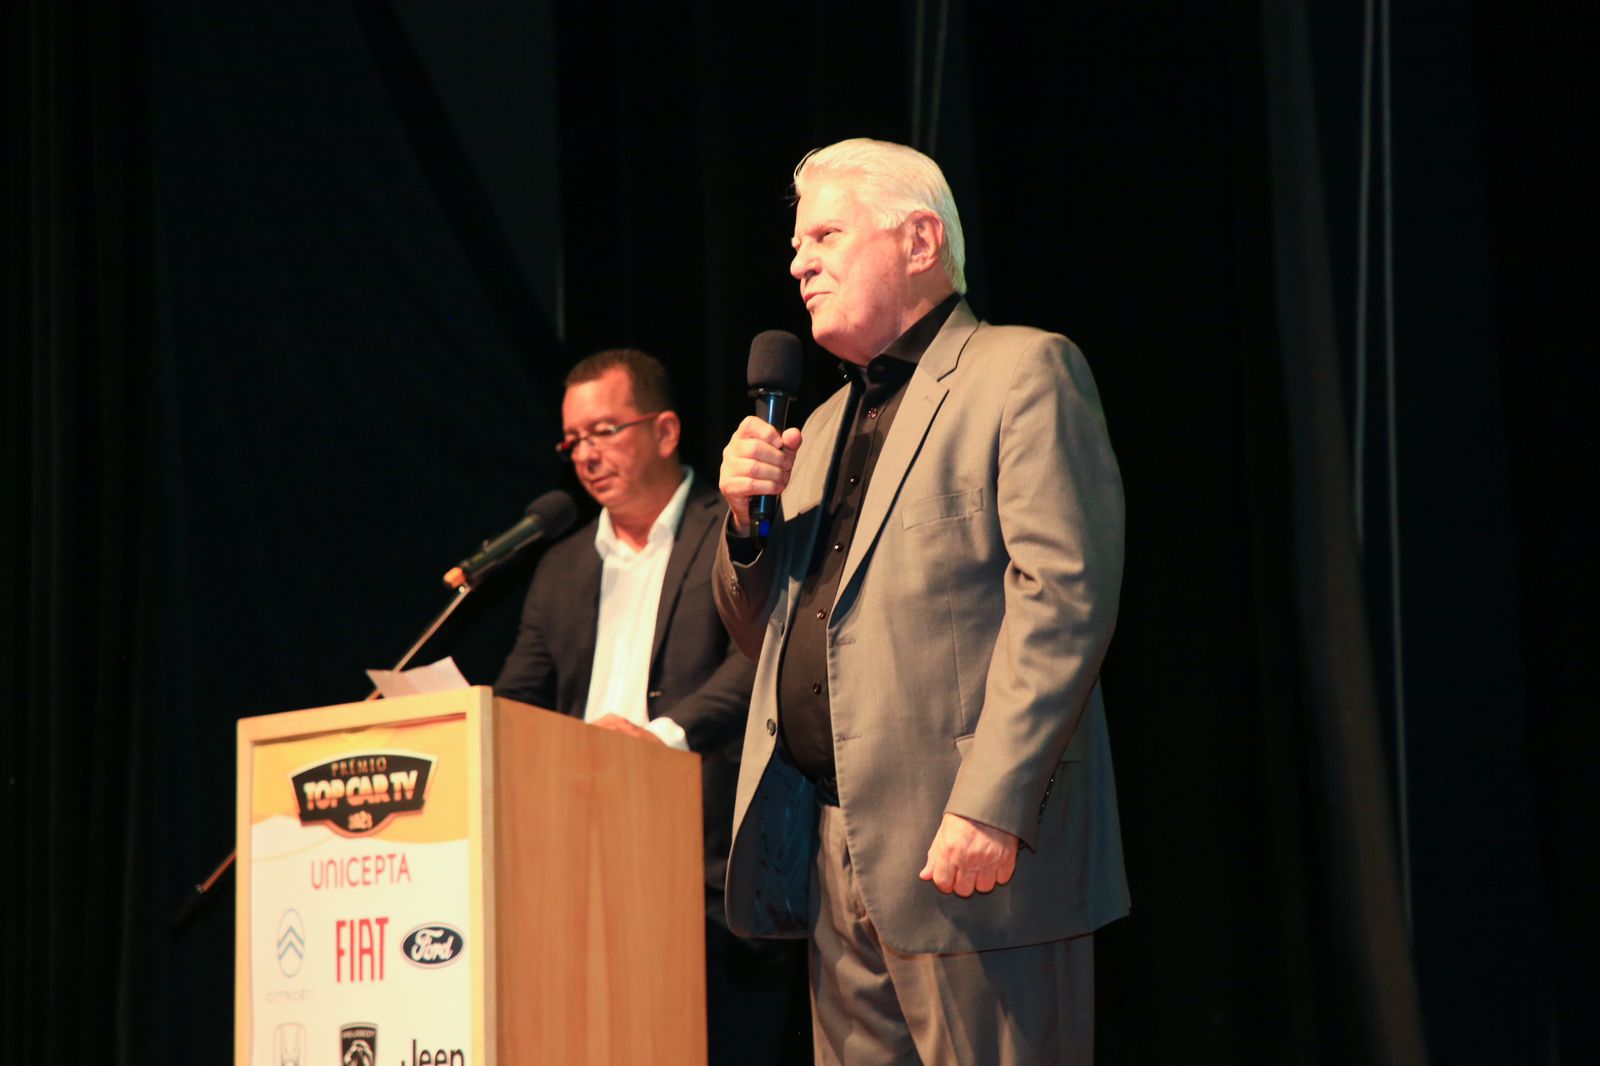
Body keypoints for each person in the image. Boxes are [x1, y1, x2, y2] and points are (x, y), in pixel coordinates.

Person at [715, 138, 1128, 1064]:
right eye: (795, 245)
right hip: (832, 848)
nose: (799, 263)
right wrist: (745, 527)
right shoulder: (817, 427)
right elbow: (768, 637)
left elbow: (1063, 601)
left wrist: (993, 803)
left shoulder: (1022, 371)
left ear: (919, 240)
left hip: (973, 849)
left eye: (825, 235)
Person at [495, 348, 808, 1065]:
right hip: (578, 867)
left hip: (705, 868)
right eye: (573, 440)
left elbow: (764, 655)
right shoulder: (562, 565)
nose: (585, 454)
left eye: (604, 431)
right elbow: (518, 698)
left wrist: (659, 738)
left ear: (665, 431)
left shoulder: (738, 528)